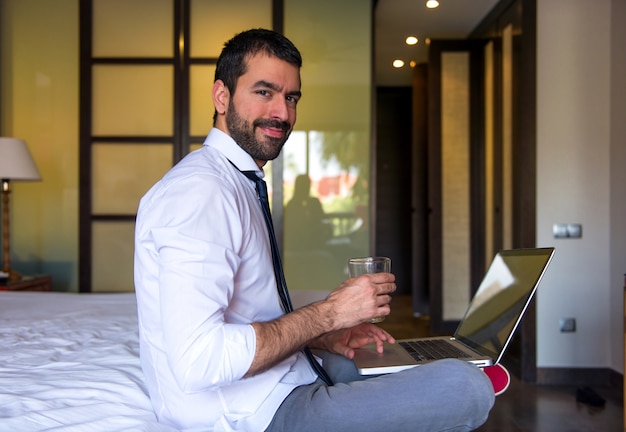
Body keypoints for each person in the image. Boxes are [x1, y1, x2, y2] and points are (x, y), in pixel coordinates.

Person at [134, 28, 494, 432]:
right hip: (250, 413)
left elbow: (249, 312)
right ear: (221, 96)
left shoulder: (236, 180)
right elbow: (199, 361)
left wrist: (325, 337)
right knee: (467, 387)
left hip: (280, 376)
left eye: (290, 98)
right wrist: (329, 314)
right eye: (264, 92)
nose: (283, 113)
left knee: (391, 361)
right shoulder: (199, 193)